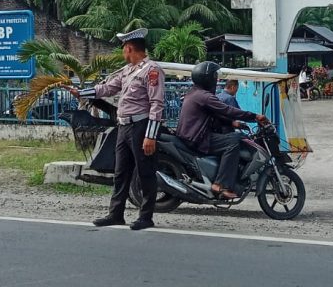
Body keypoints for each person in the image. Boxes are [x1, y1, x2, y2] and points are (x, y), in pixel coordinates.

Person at [69, 28, 164, 231]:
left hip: (141, 126)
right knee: (121, 172)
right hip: (124, 126)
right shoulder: (127, 71)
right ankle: (116, 214)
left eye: (124, 49)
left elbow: (157, 104)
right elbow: (108, 88)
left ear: (129, 48)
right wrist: (82, 93)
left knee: (145, 172)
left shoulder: (152, 70)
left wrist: (151, 135)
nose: (123, 53)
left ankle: (146, 216)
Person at [176, 62, 266, 200]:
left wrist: (233, 123)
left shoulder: (195, 93)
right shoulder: (204, 96)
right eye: (214, 76)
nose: (216, 80)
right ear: (207, 78)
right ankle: (220, 184)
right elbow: (227, 110)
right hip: (196, 138)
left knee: (232, 138)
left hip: (190, 136)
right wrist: (254, 116)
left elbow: (216, 114)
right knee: (233, 142)